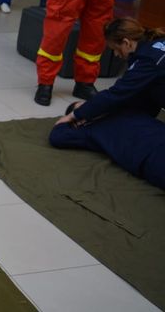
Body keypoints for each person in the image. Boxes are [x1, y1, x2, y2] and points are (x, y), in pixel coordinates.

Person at [50, 17, 165, 189]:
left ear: (126, 43)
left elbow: (115, 95)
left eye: (115, 50)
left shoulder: (147, 61)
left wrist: (74, 115)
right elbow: (135, 96)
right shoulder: (153, 46)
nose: (117, 55)